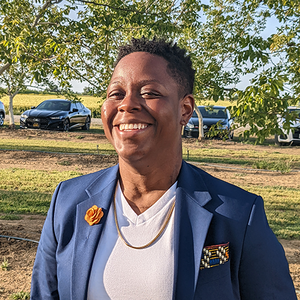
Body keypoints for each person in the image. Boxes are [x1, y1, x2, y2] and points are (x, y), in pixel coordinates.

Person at [30, 37, 297, 300]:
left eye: (149, 93)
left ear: (185, 109)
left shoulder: (238, 214)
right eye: (116, 93)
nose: (127, 104)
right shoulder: (68, 201)